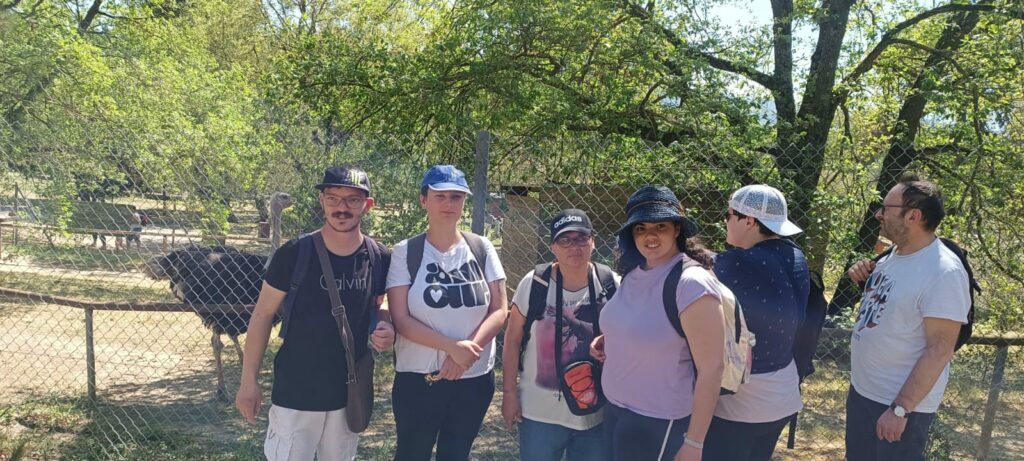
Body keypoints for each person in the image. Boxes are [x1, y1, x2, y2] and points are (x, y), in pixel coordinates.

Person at [235, 165, 395, 461]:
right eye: (333, 198)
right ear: (321, 200)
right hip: (296, 391)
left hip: (349, 392)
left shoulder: (379, 257)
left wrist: (385, 325)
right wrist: (249, 381)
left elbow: (381, 303)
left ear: (367, 205)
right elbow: (262, 316)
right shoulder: (294, 253)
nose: (342, 208)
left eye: (352, 200)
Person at [591, 185, 725, 461]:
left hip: (658, 421)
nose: (649, 236)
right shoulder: (634, 272)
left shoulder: (691, 283)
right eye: (640, 228)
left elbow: (712, 368)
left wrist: (695, 443)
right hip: (617, 409)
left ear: (677, 229)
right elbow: (647, 324)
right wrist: (613, 338)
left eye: (660, 226)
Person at [386, 164, 507, 461]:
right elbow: (400, 318)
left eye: (456, 196)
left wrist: (467, 354)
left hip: (474, 378)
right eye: (440, 196)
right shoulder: (407, 251)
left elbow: (500, 309)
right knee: (412, 454)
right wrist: (452, 349)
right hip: (420, 379)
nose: (449, 204)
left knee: (456, 454)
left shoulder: (481, 247)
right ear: (423, 200)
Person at [845, 176, 970, 461]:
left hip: (898, 407)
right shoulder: (893, 255)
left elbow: (940, 349)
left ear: (913, 216)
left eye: (886, 208)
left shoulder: (944, 272)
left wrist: (900, 408)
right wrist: (861, 275)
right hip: (865, 394)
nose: (879, 214)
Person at [502, 208, 620, 461]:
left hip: (596, 413)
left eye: (581, 238)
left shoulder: (610, 283)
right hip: (539, 414)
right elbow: (511, 340)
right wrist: (509, 395)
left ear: (593, 242)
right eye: (565, 240)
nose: (573, 247)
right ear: (553, 246)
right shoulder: (535, 283)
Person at [702, 184, 810, 460]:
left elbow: (691, 268)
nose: (724, 221)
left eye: (728, 215)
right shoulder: (794, 255)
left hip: (745, 403)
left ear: (748, 220)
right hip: (782, 392)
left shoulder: (741, 262)